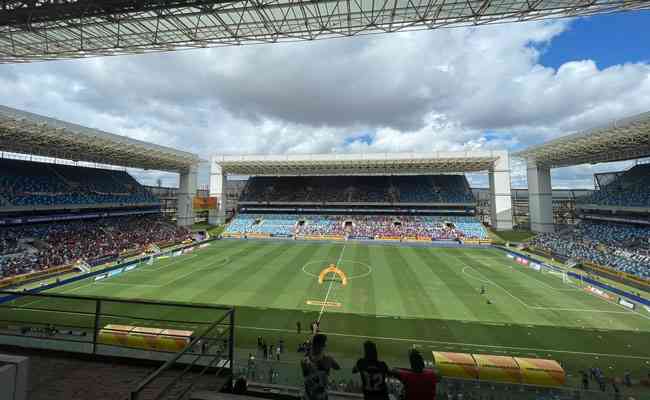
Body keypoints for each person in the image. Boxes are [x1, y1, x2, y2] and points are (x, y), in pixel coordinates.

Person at [301, 333, 340, 400]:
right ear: (323, 346)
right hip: (321, 397)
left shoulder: (304, 360)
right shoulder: (328, 359)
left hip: (308, 396)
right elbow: (337, 367)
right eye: (325, 343)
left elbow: (306, 375)